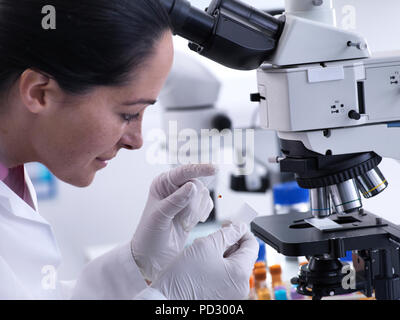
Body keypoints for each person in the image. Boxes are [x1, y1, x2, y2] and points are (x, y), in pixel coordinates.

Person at [0, 0, 258, 299]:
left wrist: (137, 266)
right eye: (128, 114)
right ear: (39, 93)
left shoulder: (12, 175)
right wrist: (174, 300)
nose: (136, 141)